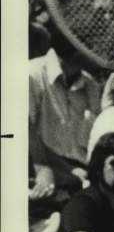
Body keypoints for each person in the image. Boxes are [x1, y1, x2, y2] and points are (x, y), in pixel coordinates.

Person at [29, 26, 101, 197]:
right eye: (87, 47)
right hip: (40, 174)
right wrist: (53, 169)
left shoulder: (91, 85)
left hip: (81, 176)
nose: (94, 52)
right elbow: (22, 133)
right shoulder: (31, 74)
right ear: (76, 49)